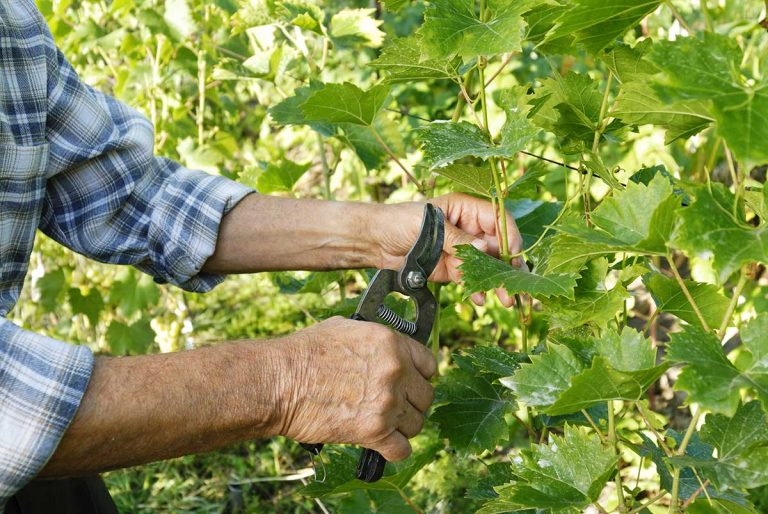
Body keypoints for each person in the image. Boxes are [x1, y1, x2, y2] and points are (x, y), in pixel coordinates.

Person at [0, 1, 522, 512]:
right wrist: (287, 382)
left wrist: (373, 232)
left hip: (40, 455)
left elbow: (126, 192)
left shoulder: (11, 23)